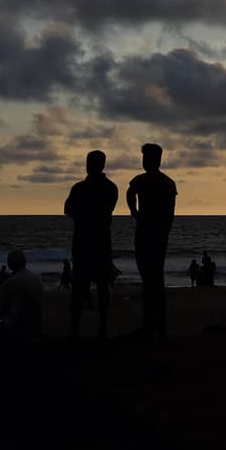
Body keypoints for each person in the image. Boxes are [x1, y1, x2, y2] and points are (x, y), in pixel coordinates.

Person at [64, 149, 118, 339]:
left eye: (91, 162)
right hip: (101, 240)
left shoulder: (80, 188)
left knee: (82, 287)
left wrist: (83, 216)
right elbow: (105, 211)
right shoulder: (111, 187)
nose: (89, 165)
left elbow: (69, 209)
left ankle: (76, 331)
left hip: (84, 241)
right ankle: (100, 329)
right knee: (100, 286)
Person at [126, 143, 177, 339]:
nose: (145, 161)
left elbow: (130, 193)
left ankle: (151, 324)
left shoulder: (142, 180)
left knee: (149, 279)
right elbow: (170, 213)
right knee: (156, 278)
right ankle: (158, 324)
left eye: (146, 158)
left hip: (146, 233)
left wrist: (135, 212)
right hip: (159, 234)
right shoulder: (168, 182)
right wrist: (164, 229)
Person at [0, 249, 44, 342]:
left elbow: (1, 310)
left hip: (16, 329)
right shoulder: (37, 279)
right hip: (36, 326)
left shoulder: (10, 283)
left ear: (10, 265)